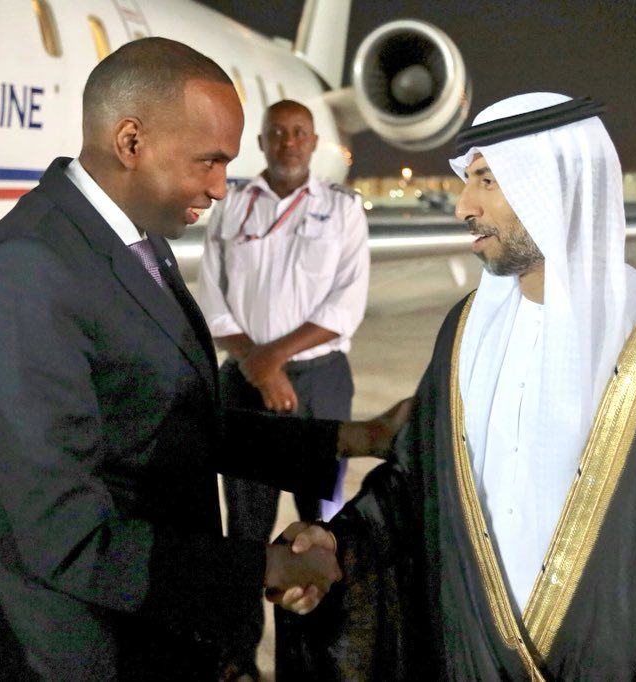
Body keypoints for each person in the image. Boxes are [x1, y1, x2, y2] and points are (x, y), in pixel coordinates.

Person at [277, 93, 636, 680]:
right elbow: (414, 488)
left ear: (555, 186)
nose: (463, 205)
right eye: (466, 181)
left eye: (486, 179)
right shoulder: (464, 331)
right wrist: (341, 544)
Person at [0, 37, 383, 681]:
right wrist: (265, 568)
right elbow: (63, 535)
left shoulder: (134, 241)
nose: (219, 187)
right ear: (131, 141)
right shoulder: (28, 270)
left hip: (156, 628)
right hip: (86, 651)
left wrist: (354, 437)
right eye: (208, 161)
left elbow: (176, 418)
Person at [196, 99, 370, 679]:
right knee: (245, 534)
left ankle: (322, 658)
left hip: (317, 384)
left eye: (300, 133)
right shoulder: (232, 205)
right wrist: (257, 366)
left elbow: (345, 303)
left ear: (314, 140)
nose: (289, 142)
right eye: (278, 134)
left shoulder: (341, 209)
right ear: (263, 142)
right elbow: (213, 293)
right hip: (246, 384)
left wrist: (274, 359)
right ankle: (237, 657)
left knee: (322, 530)